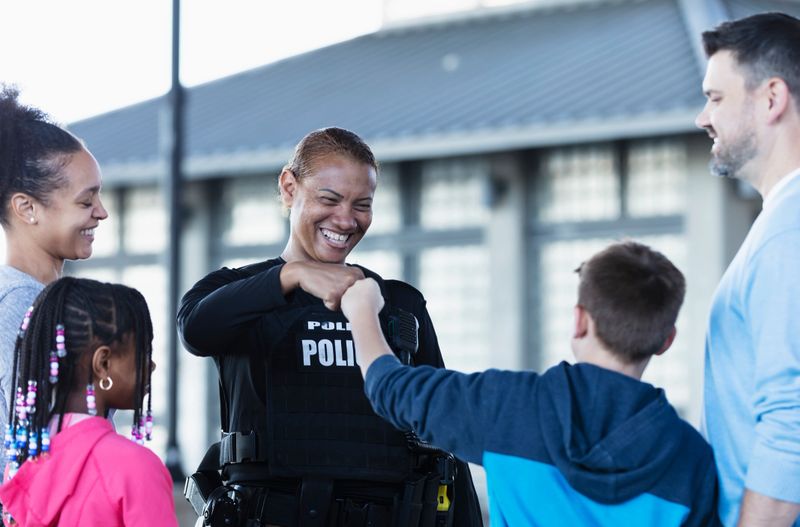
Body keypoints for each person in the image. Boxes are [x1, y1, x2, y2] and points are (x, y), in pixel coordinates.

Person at [178, 127, 483, 526]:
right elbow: (196, 331)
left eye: (362, 204)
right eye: (330, 199)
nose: (346, 219)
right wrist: (289, 277)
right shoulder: (237, 291)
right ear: (289, 187)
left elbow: (443, 432)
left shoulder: (399, 306)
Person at [340, 241, 720, 526]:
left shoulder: (508, 408)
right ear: (666, 339)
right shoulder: (693, 461)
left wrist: (361, 308)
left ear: (579, 321)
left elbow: (388, 388)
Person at [694, 12, 800, 527]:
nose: (702, 117)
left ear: (772, 99)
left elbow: (792, 425)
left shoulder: (788, 234)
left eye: (715, 98)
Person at [0, 277, 177, 526]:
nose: (152, 365)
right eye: (143, 352)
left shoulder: (23, 463)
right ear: (103, 364)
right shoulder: (135, 469)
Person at [0, 86, 109, 470]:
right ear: (27, 208)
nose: (102, 212)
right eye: (86, 201)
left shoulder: (34, 300)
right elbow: (52, 451)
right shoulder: (22, 305)